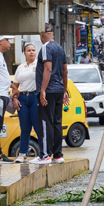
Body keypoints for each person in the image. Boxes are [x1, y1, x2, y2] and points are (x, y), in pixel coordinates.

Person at [35, 24, 68, 165]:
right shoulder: (60, 48)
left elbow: (47, 69)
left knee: (45, 122)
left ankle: (44, 155)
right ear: (52, 34)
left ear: (42, 36)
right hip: (59, 90)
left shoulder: (45, 48)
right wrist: (65, 90)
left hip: (48, 90)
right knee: (57, 122)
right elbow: (65, 71)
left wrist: (42, 89)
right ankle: (58, 154)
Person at [9, 42, 41, 162]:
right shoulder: (20, 67)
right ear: (24, 53)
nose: (31, 52)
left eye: (33, 50)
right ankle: (23, 153)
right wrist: (15, 98)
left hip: (35, 96)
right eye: (29, 50)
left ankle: (43, 153)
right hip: (23, 97)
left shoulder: (39, 65)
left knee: (37, 127)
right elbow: (15, 85)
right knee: (25, 127)